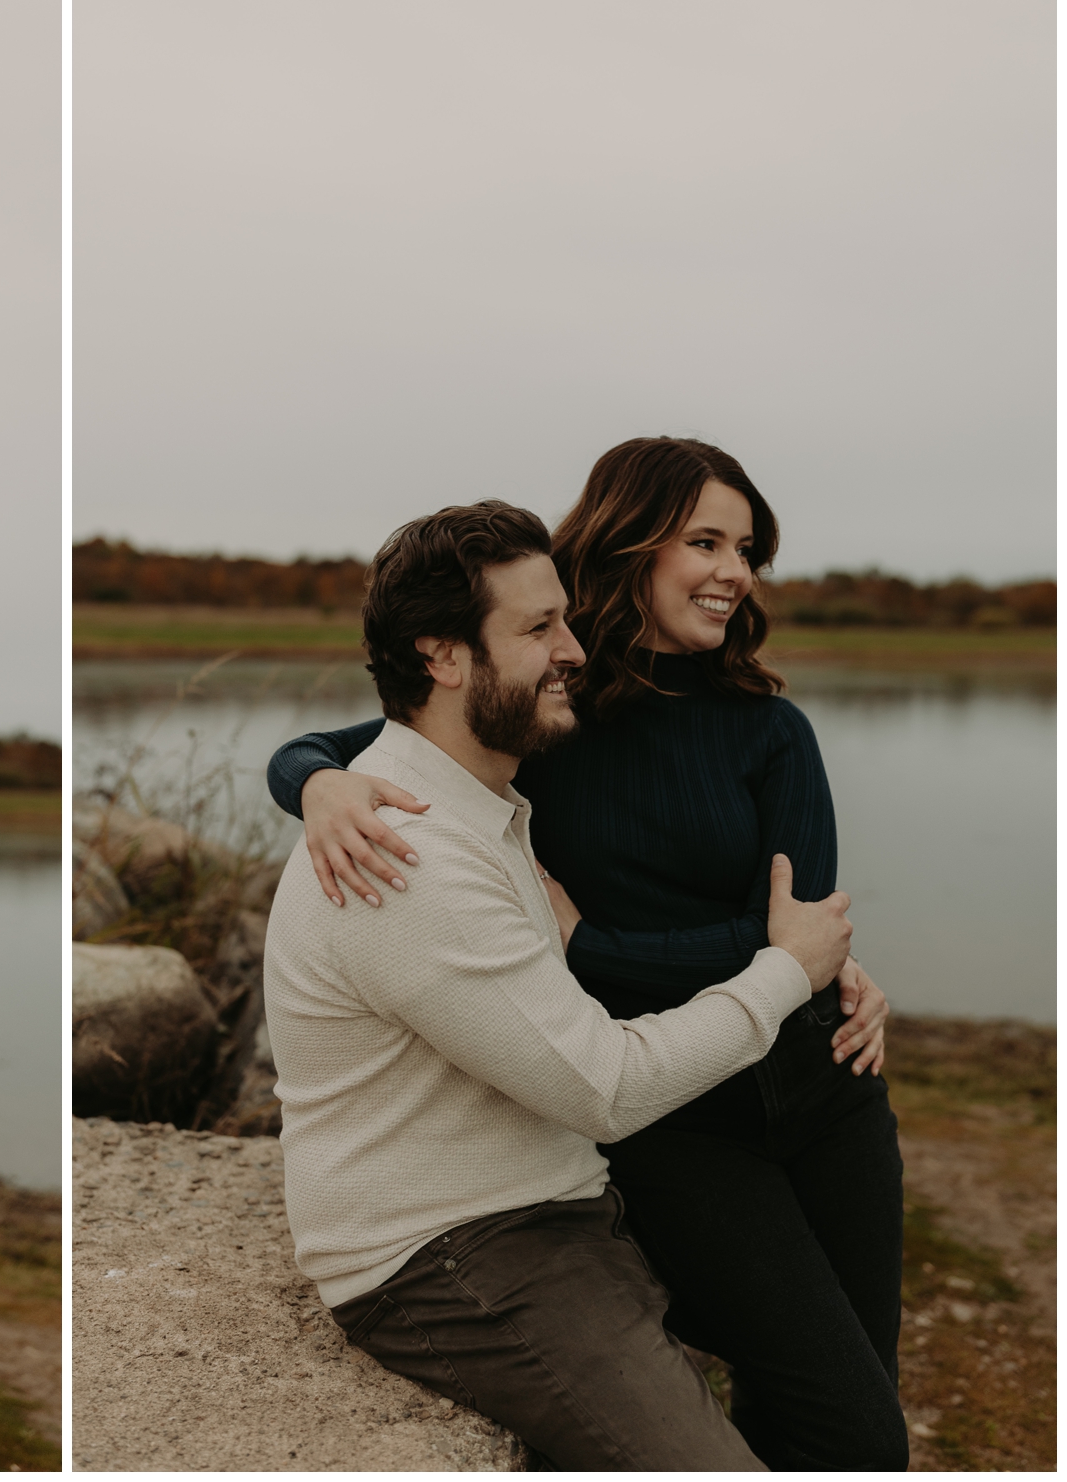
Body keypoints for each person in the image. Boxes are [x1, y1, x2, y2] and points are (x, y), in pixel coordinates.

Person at [268, 439, 907, 1470]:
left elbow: (792, 926)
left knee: (852, 1404)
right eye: (701, 540)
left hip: (813, 1083)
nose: (732, 570)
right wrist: (310, 782)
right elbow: (369, 739)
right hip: (669, 1118)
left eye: (745, 548)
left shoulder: (757, 731)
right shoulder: (546, 718)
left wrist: (774, 964)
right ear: (629, 546)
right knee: (839, 1410)